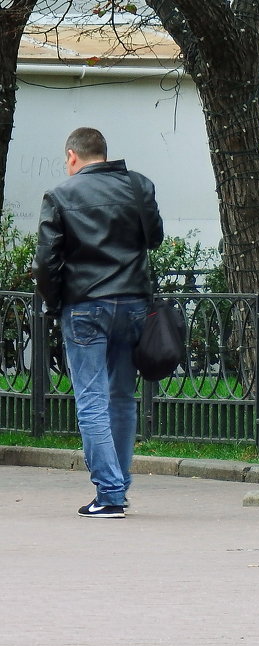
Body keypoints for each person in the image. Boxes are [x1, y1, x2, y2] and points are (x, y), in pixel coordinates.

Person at [33, 127, 164, 518]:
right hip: (134, 303)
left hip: (85, 306)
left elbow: (46, 262)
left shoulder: (60, 195)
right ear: (103, 154)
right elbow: (154, 238)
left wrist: (56, 304)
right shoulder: (139, 186)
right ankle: (118, 487)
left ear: (72, 156)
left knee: (91, 398)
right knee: (121, 397)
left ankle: (109, 494)